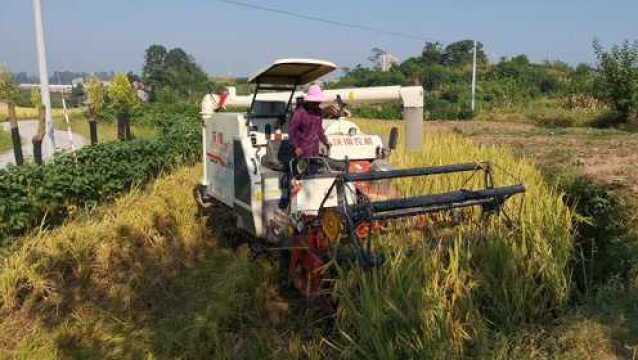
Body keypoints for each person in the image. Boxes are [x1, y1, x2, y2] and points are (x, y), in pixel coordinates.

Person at [288, 84, 330, 159]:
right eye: (314, 102)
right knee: (303, 169)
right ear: (309, 101)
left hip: (314, 148)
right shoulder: (299, 113)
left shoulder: (318, 112)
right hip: (301, 149)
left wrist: (325, 141)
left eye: (318, 102)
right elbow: (292, 131)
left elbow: (319, 129)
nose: (317, 104)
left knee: (314, 167)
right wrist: (296, 147)